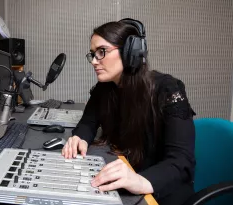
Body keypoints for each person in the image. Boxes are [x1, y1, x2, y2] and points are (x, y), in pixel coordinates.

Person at [61, 18, 196, 205]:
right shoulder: (104, 88)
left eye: (102, 52)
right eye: (92, 54)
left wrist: (139, 180)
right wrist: (80, 138)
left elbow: (181, 162)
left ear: (130, 52)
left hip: (161, 191)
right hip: (126, 183)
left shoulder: (167, 89)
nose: (93, 61)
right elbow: (88, 123)